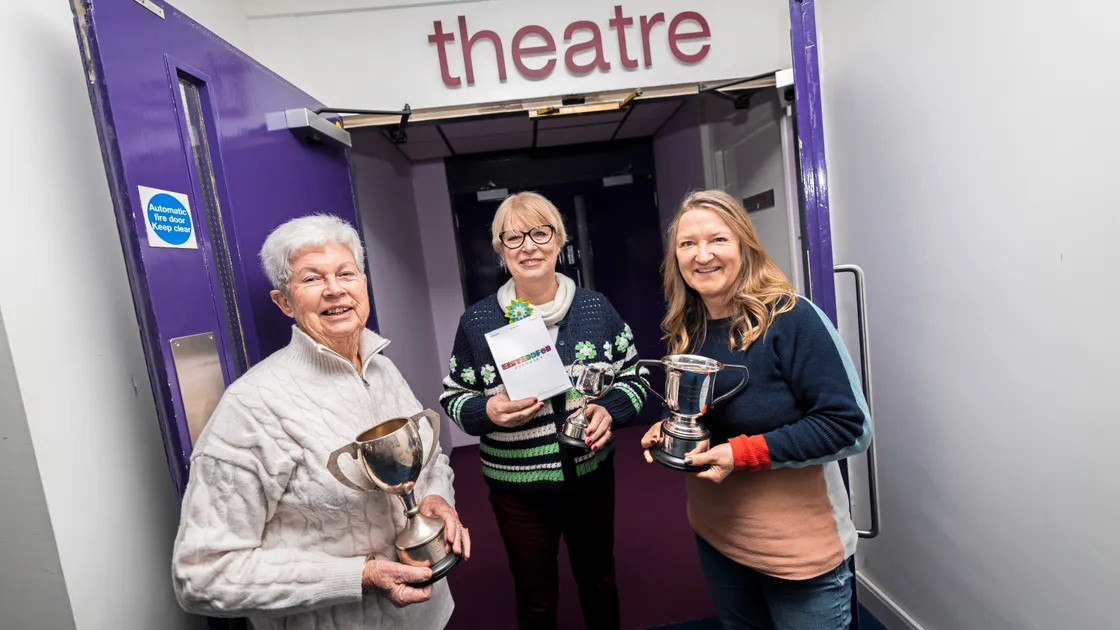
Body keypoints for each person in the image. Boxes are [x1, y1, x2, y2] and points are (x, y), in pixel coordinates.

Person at [171, 214, 470, 630]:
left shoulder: (383, 370)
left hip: (429, 616)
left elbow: (431, 461)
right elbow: (202, 576)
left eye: (346, 273)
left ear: (362, 285)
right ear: (284, 302)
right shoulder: (252, 406)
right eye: (312, 279)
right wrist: (360, 576)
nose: (334, 289)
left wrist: (437, 500)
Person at [640, 190, 872, 630]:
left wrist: (740, 454)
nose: (702, 255)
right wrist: (677, 428)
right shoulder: (688, 327)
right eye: (687, 243)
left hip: (797, 554)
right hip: (718, 537)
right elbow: (722, 415)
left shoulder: (792, 318)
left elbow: (850, 426)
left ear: (745, 246)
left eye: (718, 240)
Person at [440, 192, 648, 630]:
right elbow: (453, 397)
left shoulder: (596, 309)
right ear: (499, 250)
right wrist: (487, 411)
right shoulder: (478, 322)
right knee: (535, 598)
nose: (528, 246)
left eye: (540, 233)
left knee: (599, 582)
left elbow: (636, 378)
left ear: (559, 241)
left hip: (590, 476)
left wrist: (610, 410)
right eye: (513, 238)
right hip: (516, 488)